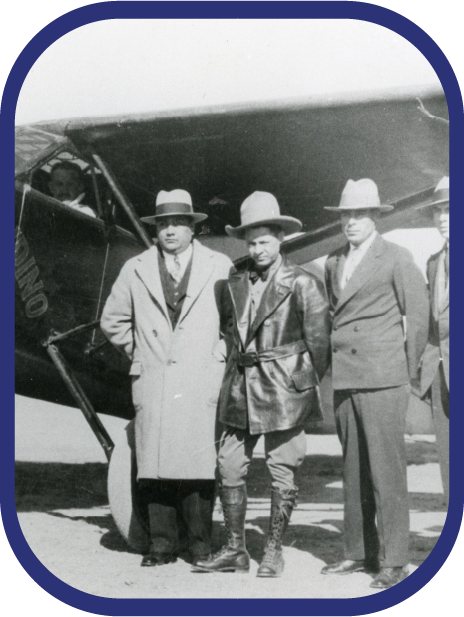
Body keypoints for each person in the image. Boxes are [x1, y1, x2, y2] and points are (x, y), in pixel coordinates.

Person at [193, 191, 331, 577]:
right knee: (229, 464)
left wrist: (298, 385)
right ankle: (235, 550)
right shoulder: (234, 283)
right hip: (240, 389)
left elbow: (319, 345)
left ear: (281, 239)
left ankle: (273, 550)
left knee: (282, 468)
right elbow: (229, 333)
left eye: (265, 241)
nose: (258, 249)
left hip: (285, 391)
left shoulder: (303, 283)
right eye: (251, 243)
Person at [101, 189, 233, 567]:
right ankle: (161, 545)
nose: (170, 230)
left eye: (178, 223)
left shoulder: (219, 265)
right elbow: (113, 320)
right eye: (163, 224)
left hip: (199, 377)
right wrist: (140, 351)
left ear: (193, 228)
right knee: (154, 466)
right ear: (155, 229)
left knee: (197, 464)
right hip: (155, 378)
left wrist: (218, 356)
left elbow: (233, 322)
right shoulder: (136, 267)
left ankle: (199, 544)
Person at [321, 178, 429, 589]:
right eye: (345, 214)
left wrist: (401, 367)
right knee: (353, 470)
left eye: (359, 214)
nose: (351, 221)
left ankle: (394, 559)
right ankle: (356, 551)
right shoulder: (333, 261)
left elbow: (416, 319)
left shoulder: (396, 258)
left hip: (383, 379)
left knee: (387, 472)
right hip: (346, 380)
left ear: (375, 217)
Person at [416, 177, 449, 502]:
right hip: (442, 378)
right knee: (450, 464)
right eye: (438, 211)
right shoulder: (434, 262)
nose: (442, 218)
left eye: (451, 210)